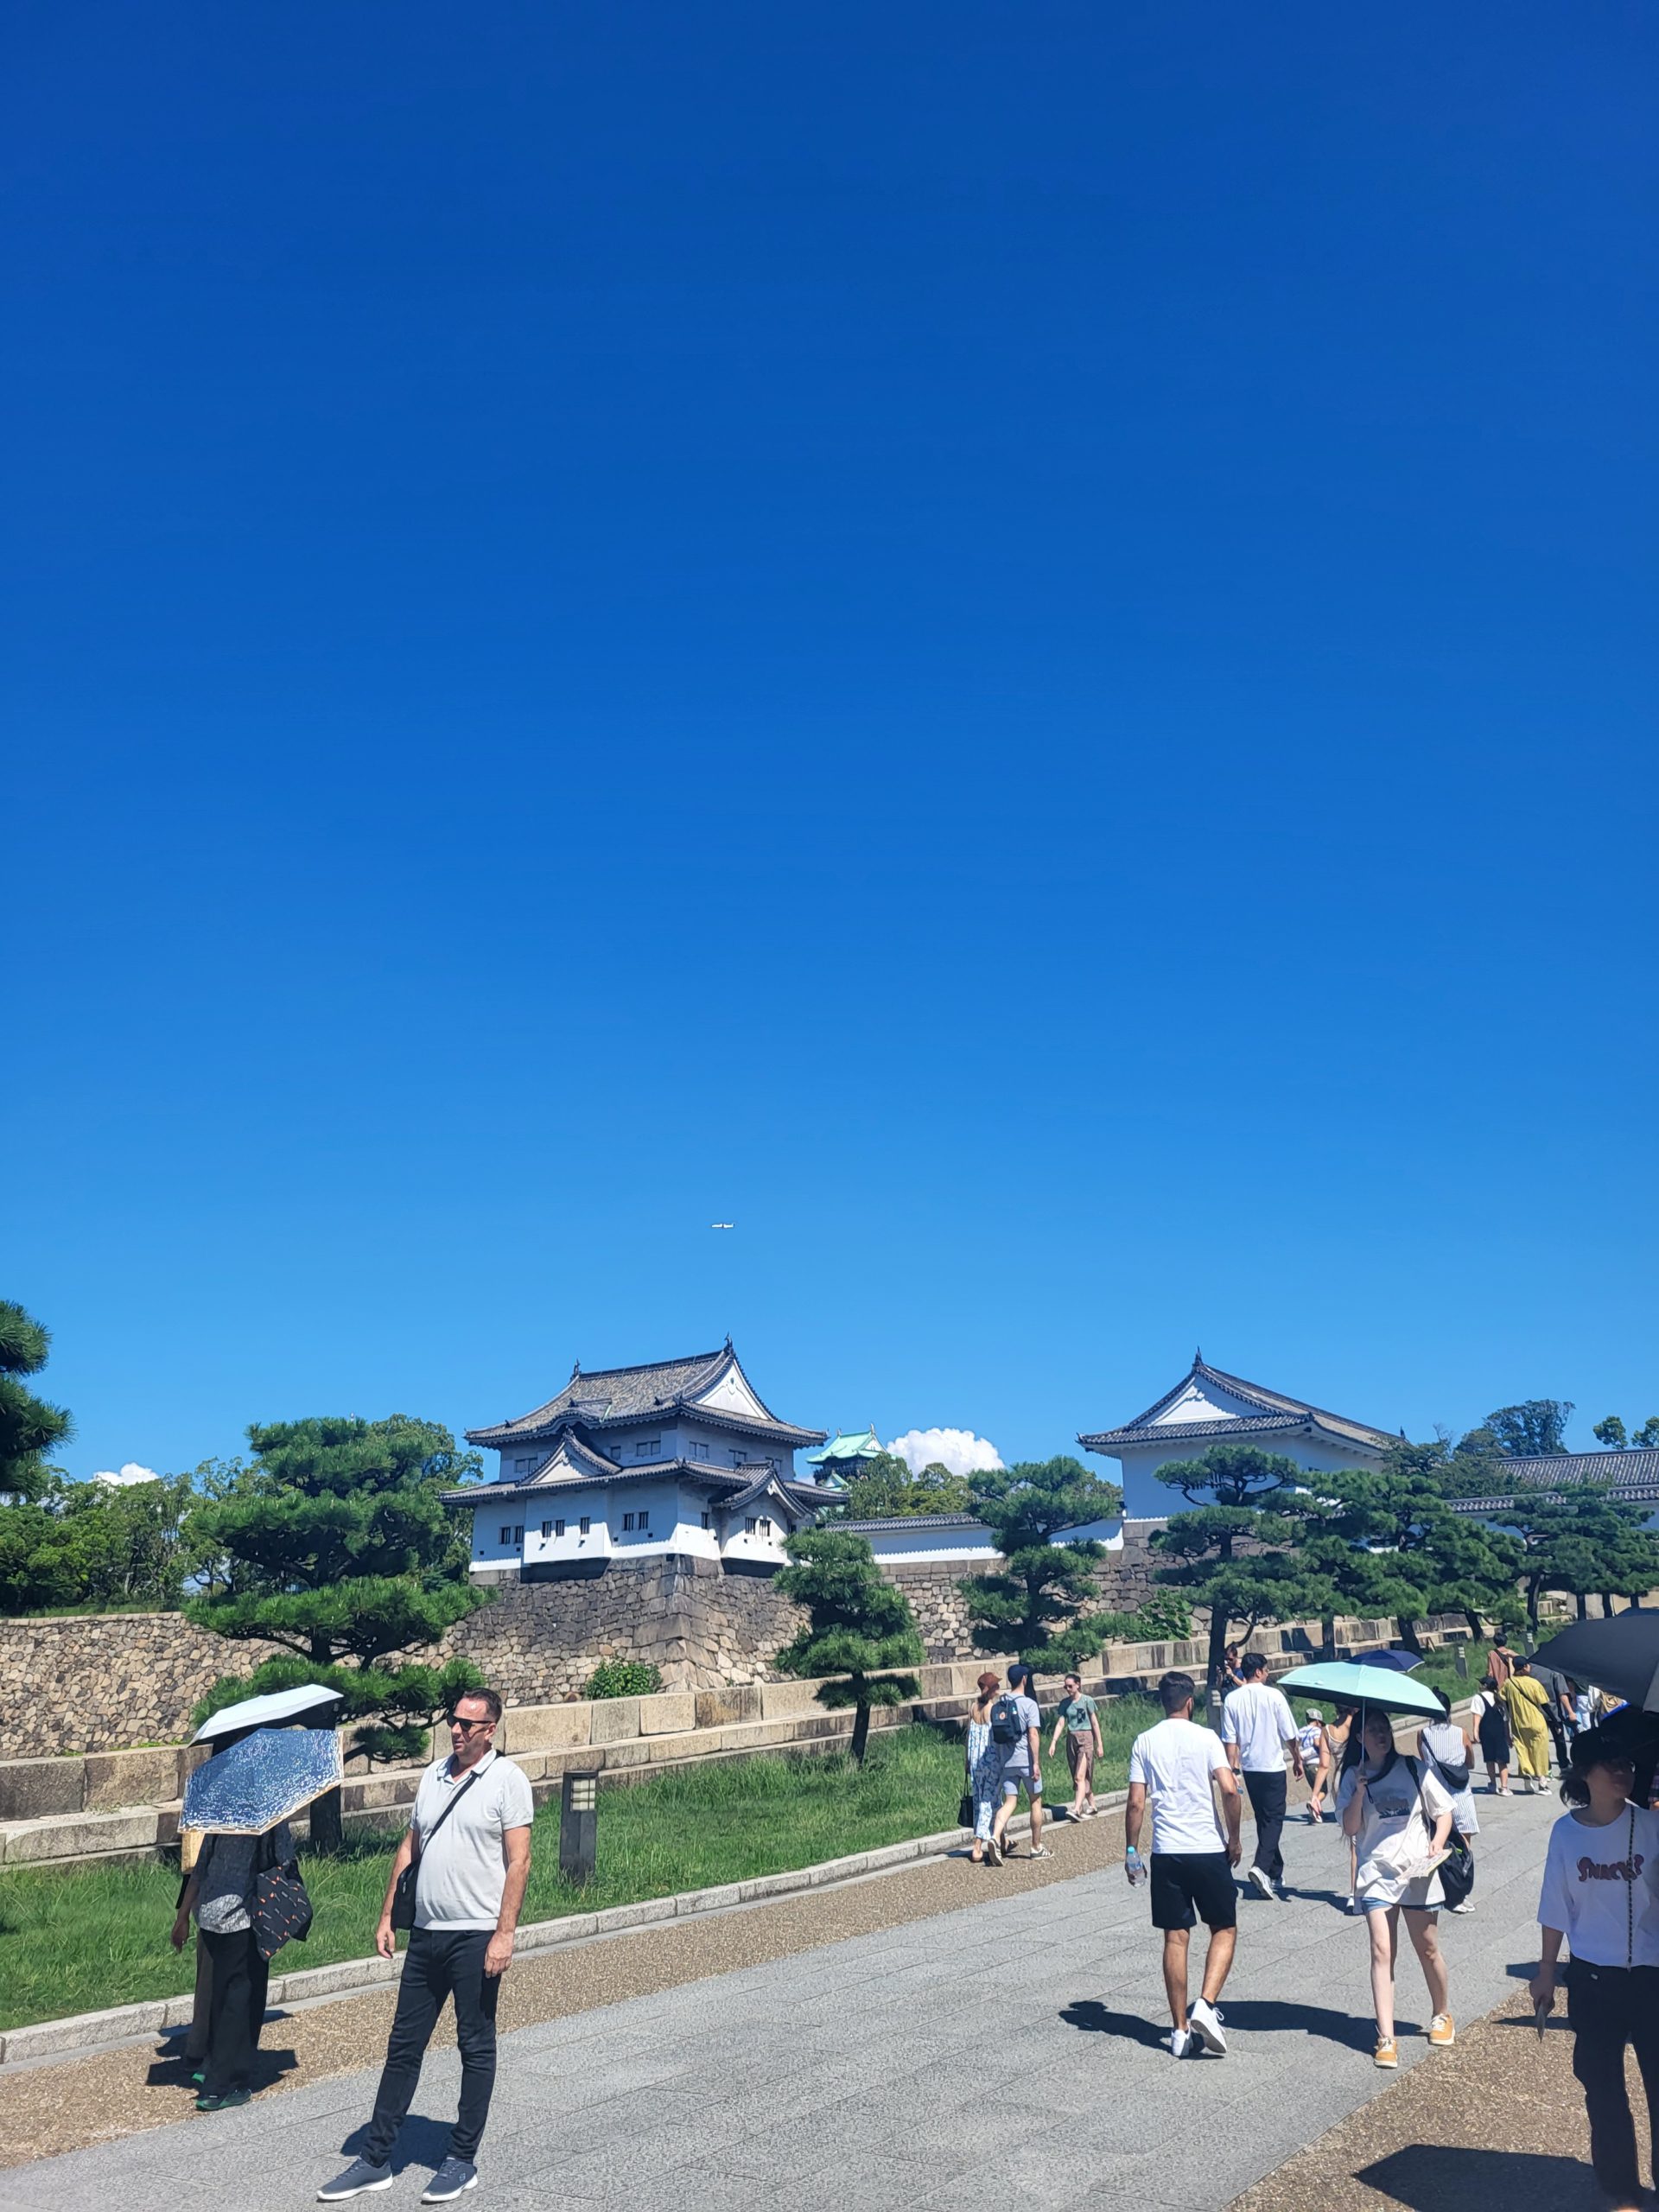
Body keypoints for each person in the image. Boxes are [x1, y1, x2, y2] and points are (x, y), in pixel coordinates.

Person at [320, 1688, 534, 2206]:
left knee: (475, 2046)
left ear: (491, 1729)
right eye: (453, 1721)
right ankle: (375, 2159)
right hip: (427, 1935)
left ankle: (461, 2158)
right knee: (403, 2046)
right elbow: (411, 1845)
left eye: (468, 1724)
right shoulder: (433, 1776)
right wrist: (389, 1912)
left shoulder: (508, 1781)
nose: (457, 1731)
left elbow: (519, 1861)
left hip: (477, 1934)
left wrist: (505, 1934)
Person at [1531, 1726, 1659, 2212]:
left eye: (1627, 1764)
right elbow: (1555, 1904)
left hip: (1651, 1975)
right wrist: (1546, 1970)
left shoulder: (1650, 1826)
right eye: (1611, 1765)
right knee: (1604, 2089)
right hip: (1593, 1977)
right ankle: (1621, 2188)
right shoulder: (1565, 1832)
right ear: (1585, 1773)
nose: (1622, 1772)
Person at [1125, 1670, 1243, 2058]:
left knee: (1175, 1938)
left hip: (1167, 1851)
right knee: (1224, 1927)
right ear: (1189, 1702)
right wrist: (1235, 1837)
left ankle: (1178, 2031)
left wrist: (1131, 1851)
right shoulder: (1207, 1738)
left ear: (1163, 1701)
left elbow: (1136, 1803)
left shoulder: (1144, 1741)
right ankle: (1206, 2006)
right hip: (1207, 1848)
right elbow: (1229, 1788)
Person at [1339, 1706, 1456, 2067]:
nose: (1381, 1735)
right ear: (1359, 1738)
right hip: (1376, 1873)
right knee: (1381, 1951)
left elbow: (1444, 1812)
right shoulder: (1351, 1778)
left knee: (1428, 1948)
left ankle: (1442, 2013)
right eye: (1373, 1730)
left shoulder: (1412, 1767)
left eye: (1384, 1728)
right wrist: (1359, 1791)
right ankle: (1386, 2037)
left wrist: (1437, 1842)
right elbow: (1351, 1828)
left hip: (1417, 1871)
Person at [170, 1815, 296, 2111]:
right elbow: (285, 1860)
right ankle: (224, 2084)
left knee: (218, 1997)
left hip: (211, 1917)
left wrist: (182, 1916)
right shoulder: (270, 1819)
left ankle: (212, 2066)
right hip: (245, 1919)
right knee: (242, 2001)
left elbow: (200, 1868)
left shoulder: (220, 1817)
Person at [1222, 1653, 1303, 1900]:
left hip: (1250, 1768)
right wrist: (1297, 1758)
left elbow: (1230, 1740)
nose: (1267, 1674)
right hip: (1272, 1766)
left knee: (1263, 1819)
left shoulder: (1232, 1699)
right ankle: (1260, 1866)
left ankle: (1275, 1871)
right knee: (1275, 1818)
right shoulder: (1274, 1695)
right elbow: (1289, 1733)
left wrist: (1232, 1769)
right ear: (1258, 1671)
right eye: (1266, 1670)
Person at [1417, 1702, 1478, 1914]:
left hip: (1435, 1796)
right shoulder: (1460, 1732)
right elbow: (1470, 1761)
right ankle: (1461, 1890)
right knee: (1464, 1846)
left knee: (1438, 1844)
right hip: (1460, 1793)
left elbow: (1425, 1762)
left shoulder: (1422, 1734)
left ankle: (1442, 1887)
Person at [988, 1662, 1051, 1863]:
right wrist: (1036, 1763)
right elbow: (1033, 1734)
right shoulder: (1029, 1704)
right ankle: (1036, 1846)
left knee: (1010, 1802)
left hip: (1007, 1761)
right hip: (1026, 1760)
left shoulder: (1000, 1704)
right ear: (1024, 1679)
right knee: (1035, 1801)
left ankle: (995, 1837)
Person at [1048, 1671, 1105, 1820]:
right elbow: (1061, 1723)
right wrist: (1053, 1741)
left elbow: (1094, 1722)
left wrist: (1099, 1744)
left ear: (1078, 1685)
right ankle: (1092, 1805)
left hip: (1086, 1738)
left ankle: (1076, 1809)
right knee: (1079, 1775)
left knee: (1080, 1776)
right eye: (1065, 1687)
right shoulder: (1065, 1704)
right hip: (1072, 1739)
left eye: (1070, 1686)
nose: (1068, 1689)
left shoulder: (1087, 1701)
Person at [1501, 1659, 1555, 1793]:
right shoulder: (1534, 1683)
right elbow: (1544, 1704)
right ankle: (1542, 1781)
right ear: (1524, 1667)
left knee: (1522, 1749)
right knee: (1540, 1750)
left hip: (1518, 1722)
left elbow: (1502, 1699)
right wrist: (1555, 1720)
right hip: (1536, 1721)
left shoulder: (1509, 1683)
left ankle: (1526, 1772)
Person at [964, 1672, 1002, 1864]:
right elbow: (995, 1737)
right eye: (995, 1686)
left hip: (975, 1761)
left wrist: (966, 1762)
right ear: (989, 1689)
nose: (997, 1689)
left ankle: (1002, 1839)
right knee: (988, 1801)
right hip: (990, 1761)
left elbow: (969, 1736)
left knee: (984, 1800)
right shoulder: (991, 1709)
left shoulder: (972, 1708)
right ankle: (978, 1845)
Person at [1473, 1674, 1512, 1796]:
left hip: (1486, 1732)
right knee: (1502, 1761)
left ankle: (1492, 1783)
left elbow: (1477, 1716)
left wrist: (1475, 1731)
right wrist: (1508, 1736)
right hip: (1500, 1732)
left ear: (1485, 1686)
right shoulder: (1499, 1698)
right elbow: (1506, 1719)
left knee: (1489, 1759)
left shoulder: (1478, 1698)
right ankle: (1504, 1787)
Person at [1297, 1707, 1330, 1822]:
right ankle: (1314, 1804)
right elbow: (1317, 1742)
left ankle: (1318, 1812)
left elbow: (1296, 1745)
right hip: (1316, 1763)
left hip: (1306, 1765)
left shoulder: (1301, 1731)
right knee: (1323, 1791)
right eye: (1320, 1723)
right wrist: (1325, 1747)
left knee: (1315, 1788)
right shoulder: (1317, 1731)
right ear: (1317, 1721)